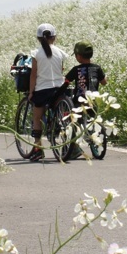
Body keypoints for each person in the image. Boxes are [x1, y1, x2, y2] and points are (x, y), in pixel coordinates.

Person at [27, 23, 69, 161]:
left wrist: (31, 92)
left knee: (37, 118)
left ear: (38, 38)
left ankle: (38, 148)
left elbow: (34, 75)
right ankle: (70, 144)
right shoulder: (60, 52)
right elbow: (61, 70)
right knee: (62, 115)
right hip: (58, 88)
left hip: (43, 89)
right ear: (54, 37)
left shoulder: (36, 54)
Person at [63, 41, 108, 159]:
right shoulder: (97, 68)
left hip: (80, 101)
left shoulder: (76, 69)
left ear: (78, 56)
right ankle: (95, 139)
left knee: (74, 124)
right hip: (93, 100)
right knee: (93, 120)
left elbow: (66, 81)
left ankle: (73, 148)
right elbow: (104, 82)